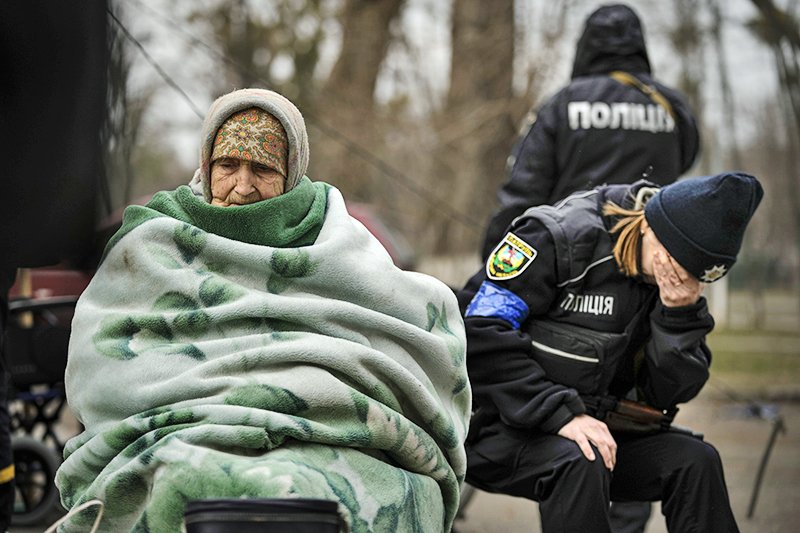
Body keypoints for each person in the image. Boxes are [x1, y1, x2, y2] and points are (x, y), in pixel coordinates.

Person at [55, 88, 471, 532]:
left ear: (291, 172)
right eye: (228, 165)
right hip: (175, 432)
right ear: (206, 164)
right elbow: (102, 354)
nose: (242, 185)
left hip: (327, 435)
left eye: (262, 169)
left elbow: (409, 318)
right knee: (183, 480)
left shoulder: (334, 237)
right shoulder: (155, 241)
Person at [458, 172, 762, 532]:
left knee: (696, 461)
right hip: (497, 428)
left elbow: (669, 394)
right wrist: (561, 415)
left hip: (597, 430)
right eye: (678, 265)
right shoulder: (556, 237)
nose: (680, 280)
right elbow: (478, 334)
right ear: (651, 226)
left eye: (698, 277)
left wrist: (678, 319)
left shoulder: (677, 287)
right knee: (582, 458)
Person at [481, 3, 699, 260]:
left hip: (573, 267)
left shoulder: (562, 104)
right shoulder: (671, 106)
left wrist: (493, 260)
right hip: (652, 265)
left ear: (585, 46)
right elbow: (687, 160)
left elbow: (524, 192)